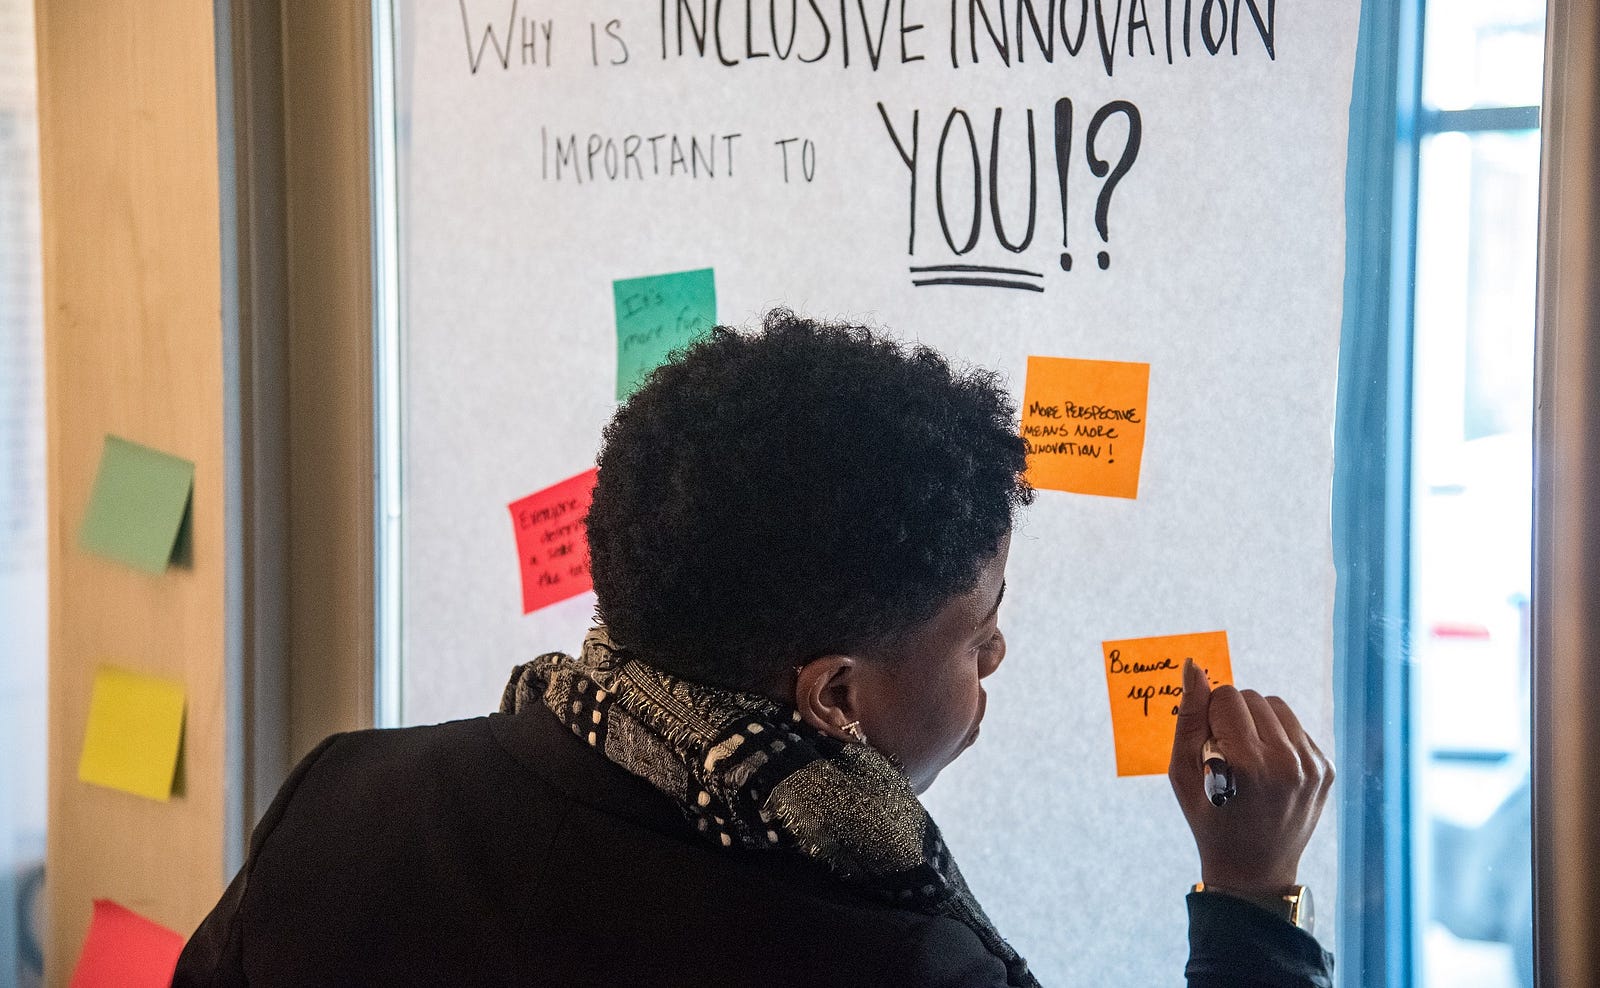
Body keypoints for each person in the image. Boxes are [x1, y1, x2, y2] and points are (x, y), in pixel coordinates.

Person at [174, 311, 1333, 986]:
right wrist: (1250, 899)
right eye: (978, 632)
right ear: (834, 696)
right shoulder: (894, 961)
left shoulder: (348, 800)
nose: (997, 657)